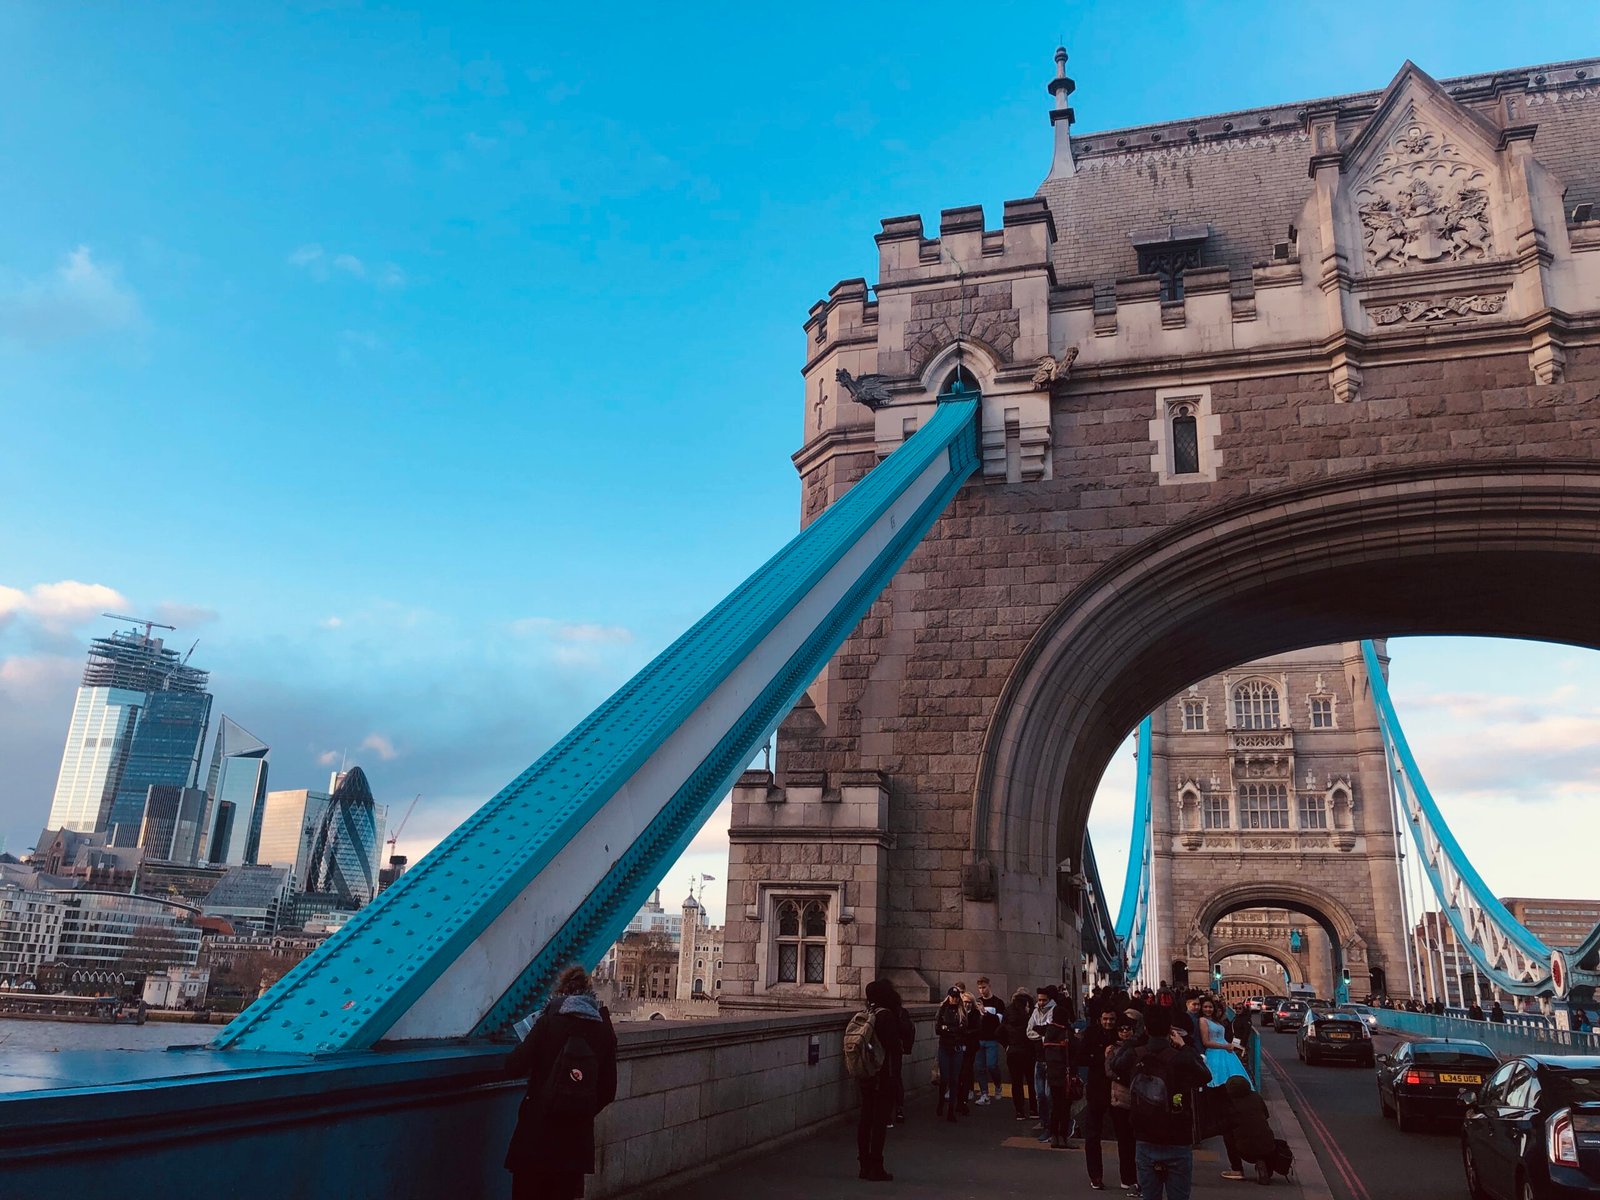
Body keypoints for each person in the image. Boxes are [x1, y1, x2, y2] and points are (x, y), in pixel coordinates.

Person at [504, 965, 619, 1200]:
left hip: (536, 1135)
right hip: (574, 1143)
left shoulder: (548, 1022)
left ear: (562, 992)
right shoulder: (604, 1032)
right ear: (590, 995)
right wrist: (579, 1107)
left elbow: (514, 1066)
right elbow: (608, 1091)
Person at [1109, 1005, 1211, 1200]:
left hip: (1145, 1137)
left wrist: (1136, 1039)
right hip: (1177, 1138)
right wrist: (1184, 1046)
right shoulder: (1181, 1057)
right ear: (1170, 1030)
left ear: (1145, 1028)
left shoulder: (1135, 1054)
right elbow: (1205, 1075)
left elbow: (1115, 1065)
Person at [1197, 997, 1251, 1182]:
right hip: (1216, 1055)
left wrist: (1231, 1046)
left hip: (1226, 1054)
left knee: (1233, 1086)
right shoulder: (1203, 1021)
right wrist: (1226, 1046)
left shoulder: (1216, 1021)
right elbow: (1206, 1041)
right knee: (1217, 1085)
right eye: (1205, 1006)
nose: (1208, 1009)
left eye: (1210, 1006)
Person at [855, 978, 904, 1181]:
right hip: (883, 1075)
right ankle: (877, 1165)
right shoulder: (887, 1016)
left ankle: (864, 1165)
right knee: (879, 1121)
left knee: (865, 1119)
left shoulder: (867, 1014)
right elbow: (894, 1046)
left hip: (866, 1073)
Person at [1079, 1006, 1125, 1190]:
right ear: (1099, 1019)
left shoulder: (1121, 1034)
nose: (1108, 1023)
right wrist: (1102, 1056)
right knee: (1092, 1134)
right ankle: (1095, 1175)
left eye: (1111, 1019)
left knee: (1124, 1134)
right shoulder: (1091, 1034)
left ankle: (1128, 1176)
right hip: (1097, 1088)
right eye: (1105, 1019)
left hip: (1117, 1089)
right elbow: (1081, 1057)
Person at [1221, 1075, 1281, 1186]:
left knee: (1227, 1133)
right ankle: (1264, 1164)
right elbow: (1266, 1115)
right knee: (1262, 1131)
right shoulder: (1256, 1097)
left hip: (1244, 1149)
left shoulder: (1227, 1102)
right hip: (1268, 1146)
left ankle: (1237, 1169)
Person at [935, 986, 971, 1123]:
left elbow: (963, 1029)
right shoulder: (943, 1009)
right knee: (944, 1078)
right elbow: (938, 1029)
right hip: (945, 1047)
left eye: (956, 997)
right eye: (952, 997)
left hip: (956, 1047)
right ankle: (940, 1103)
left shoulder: (961, 1011)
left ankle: (951, 1109)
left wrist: (948, 1029)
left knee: (954, 1079)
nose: (955, 999)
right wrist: (951, 1029)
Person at [1003, 987, 1037, 1120]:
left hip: (1013, 1052)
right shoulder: (1030, 1016)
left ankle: (1019, 1111)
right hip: (1029, 1052)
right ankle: (1034, 1109)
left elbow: (999, 1031)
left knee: (1016, 1083)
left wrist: (1007, 1045)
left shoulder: (1008, 1013)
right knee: (1032, 1082)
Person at [1028, 987, 1058, 1136]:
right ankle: (1044, 1122)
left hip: (1050, 1059)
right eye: (1039, 1000)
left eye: (1043, 1000)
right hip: (1039, 1058)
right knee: (1039, 1094)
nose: (1040, 1002)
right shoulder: (1035, 1011)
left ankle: (1051, 1125)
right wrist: (1042, 1033)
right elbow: (1029, 1031)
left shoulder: (1054, 1011)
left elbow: (1051, 1032)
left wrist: (1040, 1031)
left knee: (1048, 1095)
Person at [972, 977, 1006, 1104]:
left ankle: (998, 1085)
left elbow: (999, 1021)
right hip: (979, 1039)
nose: (981, 990)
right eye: (980, 988)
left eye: (984, 987)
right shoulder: (977, 1002)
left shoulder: (998, 1003)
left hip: (992, 1039)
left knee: (992, 1065)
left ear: (989, 986)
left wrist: (985, 1013)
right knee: (980, 1067)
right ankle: (984, 1094)